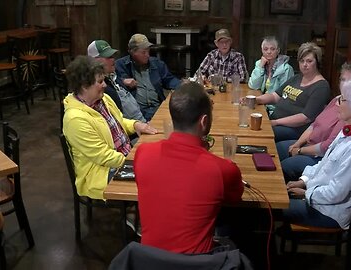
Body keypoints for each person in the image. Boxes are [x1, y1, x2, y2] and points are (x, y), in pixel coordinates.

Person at [134, 82, 244, 254]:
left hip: (149, 260)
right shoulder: (223, 169)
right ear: (204, 121)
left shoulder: (142, 153)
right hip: (199, 264)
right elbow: (235, 199)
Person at [284, 73, 351, 229]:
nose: (337, 104)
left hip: (328, 212)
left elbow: (336, 192)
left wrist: (305, 193)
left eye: (342, 100)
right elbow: (324, 165)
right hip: (319, 199)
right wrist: (303, 181)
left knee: (270, 208)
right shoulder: (349, 127)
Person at [62, 56, 157, 200]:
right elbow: (103, 156)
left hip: (123, 156)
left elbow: (117, 122)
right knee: (154, 178)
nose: (105, 85)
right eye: (100, 82)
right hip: (101, 173)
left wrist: (135, 125)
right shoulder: (75, 119)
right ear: (84, 86)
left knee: (159, 159)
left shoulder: (102, 99)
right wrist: (135, 160)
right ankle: (134, 213)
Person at [277, 60, 351, 181]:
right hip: (307, 144)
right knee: (276, 148)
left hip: (319, 158)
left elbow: (327, 147)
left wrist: (300, 150)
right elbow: (314, 124)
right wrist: (298, 143)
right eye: (342, 79)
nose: (344, 84)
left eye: (349, 81)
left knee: (283, 167)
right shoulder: (337, 99)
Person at [255, 42, 331, 142]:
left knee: (259, 132)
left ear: (317, 62)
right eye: (302, 61)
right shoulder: (297, 78)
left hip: (293, 129)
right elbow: (275, 96)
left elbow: (305, 118)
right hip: (275, 120)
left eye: (309, 61)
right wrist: (256, 100)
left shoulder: (321, 86)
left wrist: (276, 122)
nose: (305, 65)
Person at [115, 33, 181, 121]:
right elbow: (112, 83)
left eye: (148, 51)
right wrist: (123, 81)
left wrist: (182, 85)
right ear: (132, 52)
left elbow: (169, 80)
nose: (147, 55)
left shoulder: (156, 64)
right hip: (139, 112)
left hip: (157, 107)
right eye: (143, 52)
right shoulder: (121, 65)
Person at [87, 39, 146, 122]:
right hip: (131, 129)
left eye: (113, 56)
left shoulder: (114, 75)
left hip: (141, 120)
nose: (113, 59)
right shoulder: (98, 88)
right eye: (109, 57)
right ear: (95, 60)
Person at [248, 36, 294, 115]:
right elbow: (253, 86)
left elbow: (283, 96)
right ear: (262, 51)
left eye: (272, 49)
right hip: (261, 105)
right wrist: (260, 67)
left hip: (276, 109)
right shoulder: (259, 64)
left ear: (278, 50)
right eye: (265, 49)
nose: (269, 52)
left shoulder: (286, 69)